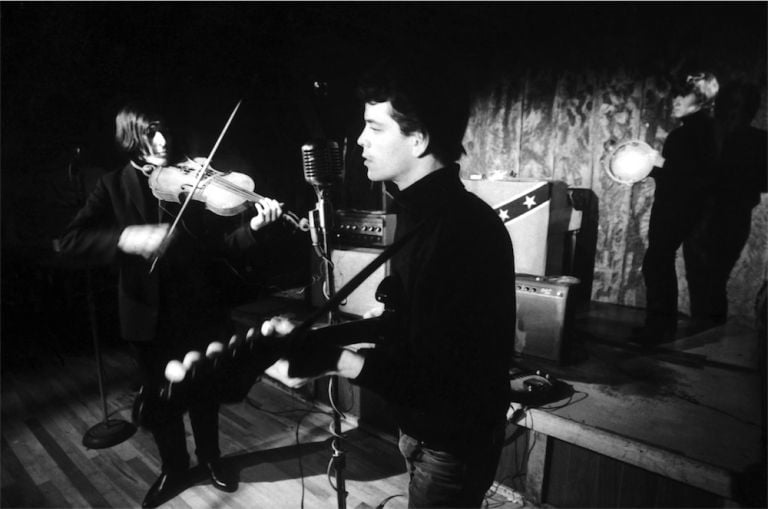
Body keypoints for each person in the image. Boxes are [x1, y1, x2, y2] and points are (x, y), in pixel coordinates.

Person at [262, 54, 517, 508]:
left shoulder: (461, 231)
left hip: (452, 443)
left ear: (418, 140)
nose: (360, 140)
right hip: (422, 430)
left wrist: (336, 360)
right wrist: (324, 337)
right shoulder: (421, 215)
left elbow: (443, 379)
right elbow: (415, 330)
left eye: (375, 128)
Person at [58, 102, 286, 508]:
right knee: (162, 397)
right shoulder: (112, 185)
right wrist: (124, 238)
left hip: (199, 307)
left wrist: (252, 228)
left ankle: (211, 457)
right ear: (132, 137)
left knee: (205, 389)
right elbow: (69, 241)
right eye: (151, 133)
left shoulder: (192, 177)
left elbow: (220, 250)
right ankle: (174, 468)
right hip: (146, 315)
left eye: (164, 129)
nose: (163, 140)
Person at [636, 72, 720, 345]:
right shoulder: (696, 130)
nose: (675, 100)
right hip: (677, 206)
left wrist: (660, 163)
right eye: (675, 95)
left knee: (657, 263)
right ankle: (661, 327)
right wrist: (647, 167)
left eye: (682, 94)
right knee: (658, 262)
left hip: (678, 208)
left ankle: (658, 329)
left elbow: (698, 176)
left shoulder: (697, 131)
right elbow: (682, 174)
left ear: (701, 98)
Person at [701, 80, 767, 324]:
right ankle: (703, 330)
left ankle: (707, 331)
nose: (727, 111)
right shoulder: (707, 136)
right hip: (702, 214)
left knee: (714, 280)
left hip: (731, 216)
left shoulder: (758, 141)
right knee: (703, 279)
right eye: (724, 104)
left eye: (735, 105)